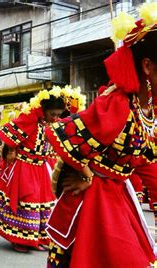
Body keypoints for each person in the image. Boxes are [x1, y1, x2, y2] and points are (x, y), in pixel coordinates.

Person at [45, 6, 157, 267]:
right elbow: (65, 139)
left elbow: (147, 165)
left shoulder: (148, 111)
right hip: (93, 203)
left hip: (118, 199)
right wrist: (86, 174)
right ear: (148, 66)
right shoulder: (117, 104)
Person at [0, 87, 84, 252]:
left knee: (45, 204)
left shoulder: (54, 124)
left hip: (43, 169)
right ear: (43, 110)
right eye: (52, 114)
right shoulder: (30, 119)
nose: (55, 117)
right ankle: (19, 238)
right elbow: (8, 134)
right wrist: (10, 152)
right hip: (25, 168)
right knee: (28, 201)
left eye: (58, 114)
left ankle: (39, 238)